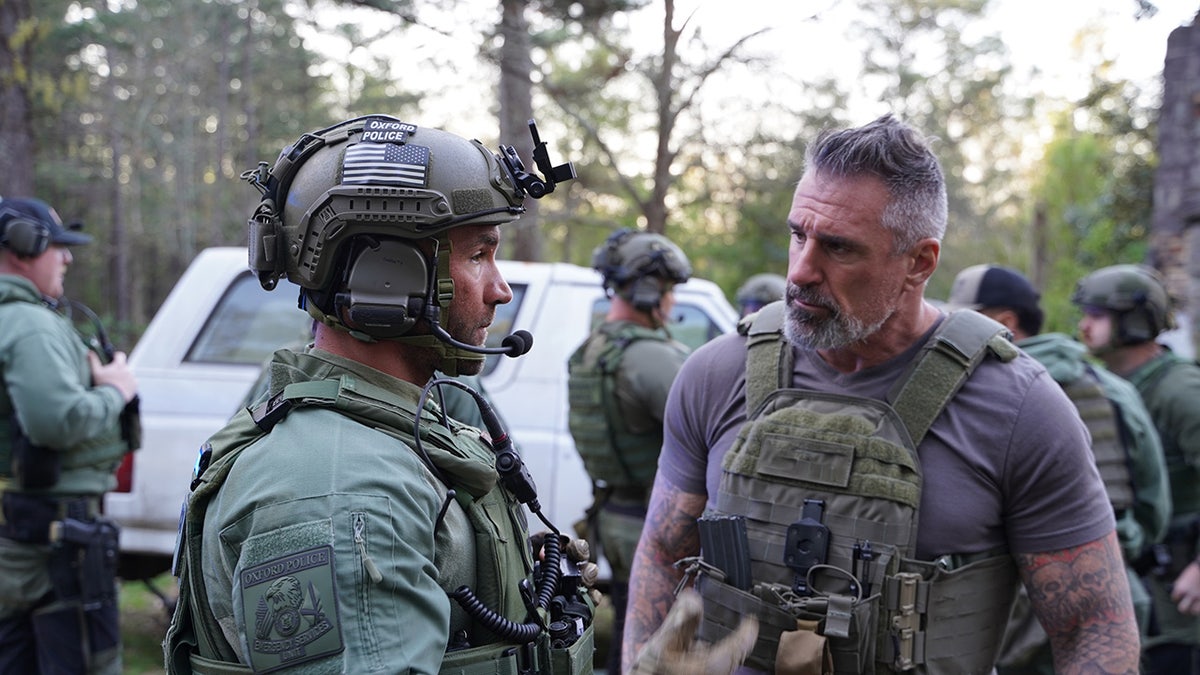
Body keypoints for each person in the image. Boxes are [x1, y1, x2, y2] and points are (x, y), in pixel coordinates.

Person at [622, 114, 1140, 674]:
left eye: (839, 248)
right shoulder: (717, 374)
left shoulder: (1019, 410)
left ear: (919, 262)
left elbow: (1093, 626)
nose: (800, 272)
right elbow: (662, 553)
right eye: (798, 234)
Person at [162, 115, 601, 674]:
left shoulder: (391, 435)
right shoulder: (337, 488)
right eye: (477, 255)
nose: (500, 290)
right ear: (386, 277)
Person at [947, 263, 1170, 675]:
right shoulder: (1115, 390)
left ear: (1004, 322)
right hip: (1116, 604)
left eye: (963, 316)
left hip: (1008, 614)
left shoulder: (971, 396)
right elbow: (1155, 507)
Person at [0, 197, 140, 674]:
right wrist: (116, 392)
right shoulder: (30, 326)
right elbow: (55, 421)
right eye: (56, 246)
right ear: (22, 246)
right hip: (52, 546)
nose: (67, 258)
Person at [567, 227, 693, 674]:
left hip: (614, 519)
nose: (672, 301)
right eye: (669, 291)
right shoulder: (653, 358)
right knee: (661, 645)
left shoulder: (592, 350)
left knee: (628, 629)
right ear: (646, 290)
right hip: (656, 526)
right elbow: (709, 435)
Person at [1073, 263, 1200, 675]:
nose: (1084, 325)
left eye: (1096, 315)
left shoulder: (1180, 391)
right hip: (1142, 589)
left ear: (1132, 321)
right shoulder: (1105, 384)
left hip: (1182, 600)